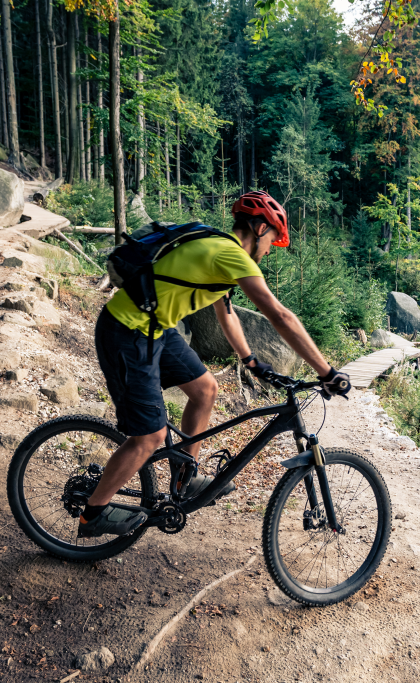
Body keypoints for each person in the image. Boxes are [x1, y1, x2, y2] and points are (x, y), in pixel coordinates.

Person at [80, 191, 351, 537]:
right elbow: (279, 315)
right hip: (127, 331)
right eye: (271, 240)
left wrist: (250, 360)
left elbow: (226, 312)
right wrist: (327, 372)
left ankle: (184, 476)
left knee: (205, 389)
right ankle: (94, 513)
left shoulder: (220, 249)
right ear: (258, 227)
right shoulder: (229, 253)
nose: (270, 250)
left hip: (155, 328)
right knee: (150, 435)